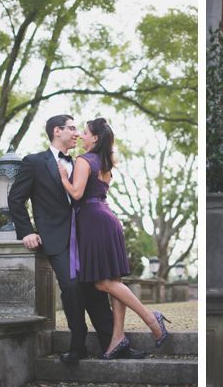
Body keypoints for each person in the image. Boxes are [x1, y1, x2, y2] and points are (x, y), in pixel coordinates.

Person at [8, 114, 143, 362]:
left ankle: (112, 343)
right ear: (57, 131)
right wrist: (27, 231)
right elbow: (15, 198)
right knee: (71, 286)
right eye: (71, 128)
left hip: (87, 234)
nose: (77, 133)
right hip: (57, 236)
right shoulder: (35, 162)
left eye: (78, 129)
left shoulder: (84, 161)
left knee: (95, 289)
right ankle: (77, 346)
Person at [58, 118, 171, 359]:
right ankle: (117, 337)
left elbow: (77, 193)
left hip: (93, 221)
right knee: (114, 282)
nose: (81, 136)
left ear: (95, 138)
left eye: (85, 133)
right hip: (107, 217)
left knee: (102, 283)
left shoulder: (83, 160)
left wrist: (63, 178)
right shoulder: (106, 163)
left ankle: (152, 319)